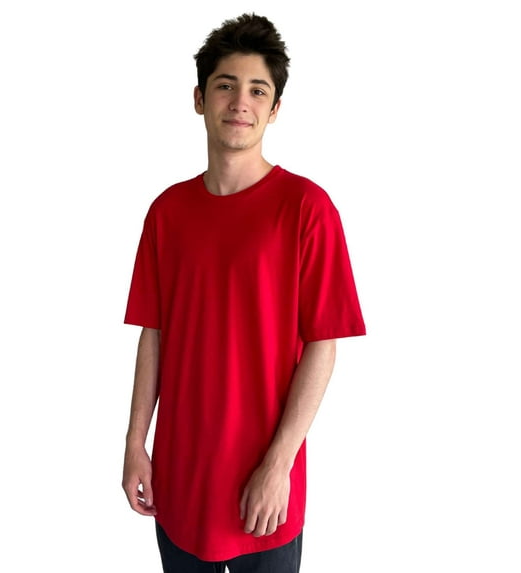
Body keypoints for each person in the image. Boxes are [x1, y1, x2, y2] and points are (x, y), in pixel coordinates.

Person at [122, 13, 366, 573]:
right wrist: (136, 443)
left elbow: (323, 345)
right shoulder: (167, 212)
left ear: (274, 108)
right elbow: (153, 334)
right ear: (199, 98)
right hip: (180, 482)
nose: (240, 102)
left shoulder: (307, 209)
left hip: (265, 489)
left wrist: (278, 464)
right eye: (225, 85)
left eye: (258, 90)